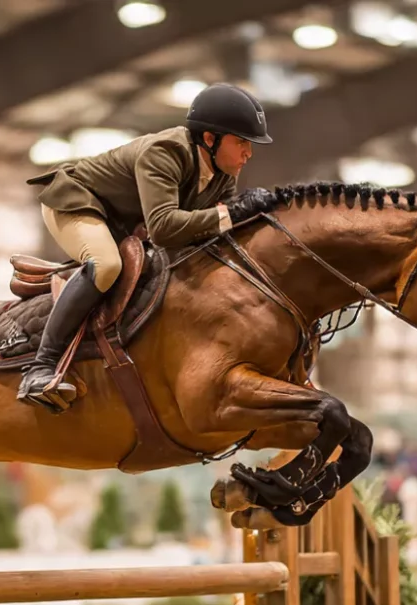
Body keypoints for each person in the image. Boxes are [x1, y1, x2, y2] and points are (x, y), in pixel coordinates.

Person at [16, 82, 279, 412]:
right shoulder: (165, 152)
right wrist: (231, 212)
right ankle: (40, 366)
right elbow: (165, 227)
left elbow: (216, 230)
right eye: (241, 142)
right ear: (210, 139)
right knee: (107, 265)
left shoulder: (222, 174)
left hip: (123, 220)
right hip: (77, 201)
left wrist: (253, 213)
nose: (248, 153)